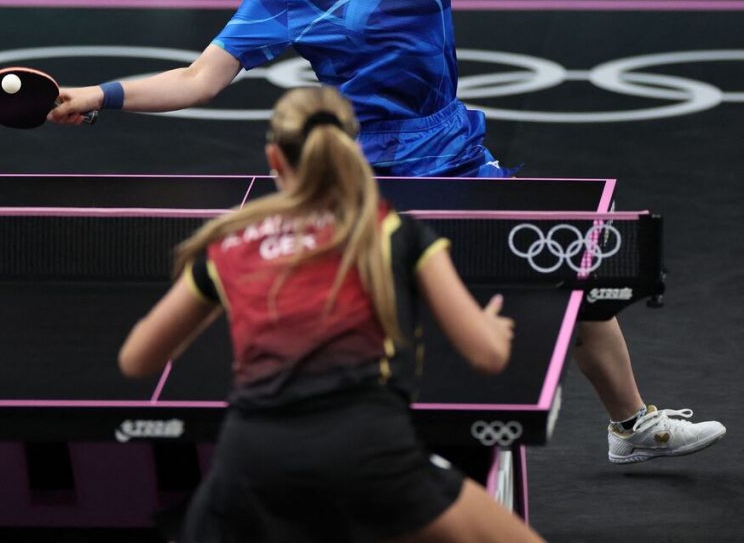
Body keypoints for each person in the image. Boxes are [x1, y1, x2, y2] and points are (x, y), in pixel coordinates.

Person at [55, 0, 725, 463]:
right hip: (365, 177)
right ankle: (376, 449)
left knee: (575, 277)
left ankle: (633, 427)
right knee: (376, 319)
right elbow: (199, 79)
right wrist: (99, 94)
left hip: (457, 150)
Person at [119, 86, 545, 542]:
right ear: (352, 151)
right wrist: (495, 331)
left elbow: (137, 361)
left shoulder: (229, 248)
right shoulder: (394, 233)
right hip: (368, 455)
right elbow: (487, 357)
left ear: (274, 159)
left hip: (253, 463)